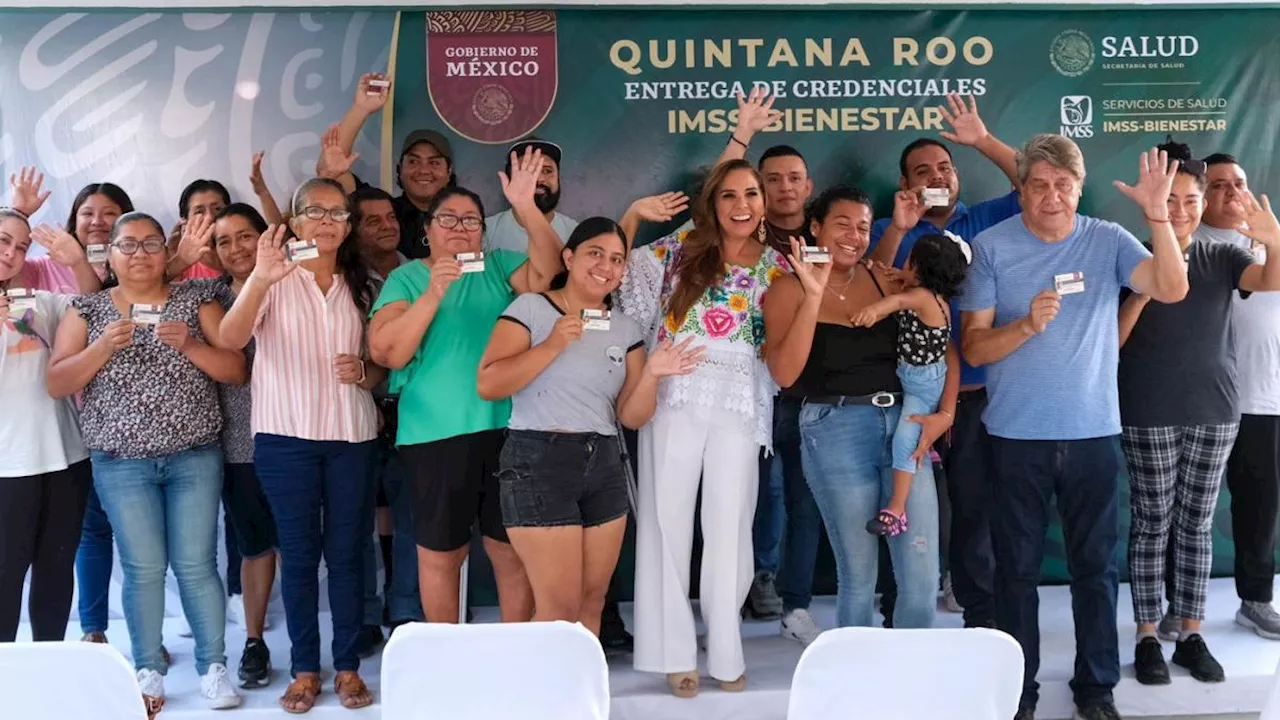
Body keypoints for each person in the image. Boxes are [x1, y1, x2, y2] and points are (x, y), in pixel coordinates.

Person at [960, 138, 1191, 720]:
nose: (1051, 196)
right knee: (1014, 573)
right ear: (1021, 190)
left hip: (1091, 434)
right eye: (1038, 184)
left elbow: (1171, 287)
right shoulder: (989, 249)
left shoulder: (1106, 239)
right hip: (1014, 437)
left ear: (1079, 188)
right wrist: (1025, 328)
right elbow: (974, 345)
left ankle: (1096, 688)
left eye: (1062, 184)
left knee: (1095, 570)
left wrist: (1158, 215)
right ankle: (1020, 691)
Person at [46, 212, 247, 712]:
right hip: (120, 463)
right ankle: (148, 672)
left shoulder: (195, 301)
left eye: (150, 244)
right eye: (128, 245)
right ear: (109, 255)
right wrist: (101, 347)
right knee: (142, 569)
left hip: (194, 457)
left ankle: (213, 667)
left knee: (198, 565)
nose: (139, 253)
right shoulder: (88, 309)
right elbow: (57, 382)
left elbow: (236, 371)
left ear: (166, 252)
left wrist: (192, 345)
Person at [617, 158, 793, 698]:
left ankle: (725, 650)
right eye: (729, 196)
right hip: (672, 391)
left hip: (740, 399)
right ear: (712, 204)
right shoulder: (681, 248)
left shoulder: (780, 266)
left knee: (730, 529)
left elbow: (782, 347)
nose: (742, 206)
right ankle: (673, 652)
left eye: (752, 195)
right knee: (667, 524)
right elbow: (614, 274)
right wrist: (629, 217)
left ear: (764, 204)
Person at [476, 217, 703, 635]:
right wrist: (553, 344)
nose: (606, 266)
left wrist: (653, 373)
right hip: (537, 462)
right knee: (558, 608)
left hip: (603, 466)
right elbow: (489, 383)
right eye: (595, 253)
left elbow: (631, 416)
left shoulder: (626, 328)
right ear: (569, 257)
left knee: (590, 600)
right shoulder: (531, 307)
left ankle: (581, 698)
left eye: (617, 259)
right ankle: (538, 700)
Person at [368, 148, 560, 629]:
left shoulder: (499, 267)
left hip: (508, 430)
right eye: (447, 218)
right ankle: (446, 659)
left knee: (509, 549)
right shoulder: (406, 277)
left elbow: (549, 271)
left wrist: (527, 210)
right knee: (441, 555)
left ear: (483, 230)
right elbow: (388, 352)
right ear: (427, 229)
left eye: (471, 220)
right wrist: (434, 290)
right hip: (434, 436)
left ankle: (515, 656)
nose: (459, 227)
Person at [217, 178, 384, 713]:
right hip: (285, 437)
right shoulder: (272, 274)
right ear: (294, 217)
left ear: (349, 223)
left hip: (352, 437)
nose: (327, 220)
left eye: (338, 212)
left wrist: (365, 371)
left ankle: (349, 667)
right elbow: (229, 338)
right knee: (299, 555)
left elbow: (383, 364)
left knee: (348, 554)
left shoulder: (364, 283)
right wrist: (261, 279)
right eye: (315, 210)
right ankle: (306, 669)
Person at [1118, 140, 1280, 685]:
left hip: (1216, 409)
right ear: (1153, 204)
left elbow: (1269, 279)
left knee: (1196, 526)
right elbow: (1113, 342)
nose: (1182, 210)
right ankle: (1146, 636)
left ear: (1201, 204)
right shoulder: (1130, 255)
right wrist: (1142, 295)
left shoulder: (1225, 254)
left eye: (1190, 199)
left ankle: (1190, 633)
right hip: (1147, 409)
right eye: (1171, 200)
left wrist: (1273, 243)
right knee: (1150, 524)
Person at [764, 186, 954, 634]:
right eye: (841, 224)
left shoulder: (887, 280)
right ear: (815, 228)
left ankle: (912, 690)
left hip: (905, 426)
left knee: (921, 576)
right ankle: (858, 688)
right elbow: (785, 376)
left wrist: (945, 414)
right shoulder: (787, 290)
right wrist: (813, 295)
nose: (853, 235)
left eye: (864, 227)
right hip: (833, 429)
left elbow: (943, 340)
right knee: (858, 577)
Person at [869, 93, 1020, 629]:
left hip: (979, 396)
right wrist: (896, 227)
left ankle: (980, 621)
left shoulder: (987, 219)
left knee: (975, 511)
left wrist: (983, 141)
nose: (936, 176)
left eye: (945, 166)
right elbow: (868, 281)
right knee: (900, 504)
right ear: (906, 183)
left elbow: (1033, 183)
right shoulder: (893, 226)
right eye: (921, 171)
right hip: (908, 398)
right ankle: (898, 614)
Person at [715, 90, 824, 628]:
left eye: (793, 178)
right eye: (771, 179)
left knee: (804, 495)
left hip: (813, 386)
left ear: (809, 186)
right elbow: (707, 205)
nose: (783, 188)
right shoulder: (741, 233)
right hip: (746, 385)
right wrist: (742, 133)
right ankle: (757, 577)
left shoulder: (826, 235)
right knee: (760, 491)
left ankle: (796, 599)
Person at [1190, 153, 1280, 641]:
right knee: (1187, 512)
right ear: (1199, 197)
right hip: (1201, 402)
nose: (1230, 192)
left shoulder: (1273, 242)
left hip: (1264, 398)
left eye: (1238, 183)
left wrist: (1273, 240)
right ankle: (1178, 610)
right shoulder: (1188, 245)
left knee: (1259, 506)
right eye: (1217, 184)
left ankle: (1256, 600)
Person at [0, 208, 92, 644]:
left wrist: (75, 262)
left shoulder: (37, 302)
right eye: (4, 240)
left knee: (56, 571)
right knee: (5, 575)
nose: (12, 253)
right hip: (7, 468)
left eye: (21, 246)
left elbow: (94, 306)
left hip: (66, 460)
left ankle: (50, 666)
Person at [207, 203, 281, 688]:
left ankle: (318, 645)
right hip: (239, 444)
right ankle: (254, 642)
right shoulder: (205, 296)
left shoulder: (292, 281)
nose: (236, 248)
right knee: (254, 545)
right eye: (223, 241)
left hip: (299, 433)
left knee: (304, 545)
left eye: (245, 235)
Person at [852, 233, 969, 536]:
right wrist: (904, 275)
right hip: (916, 377)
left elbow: (899, 300)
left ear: (919, 267)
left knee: (905, 439)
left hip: (922, 385)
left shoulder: (921, 297)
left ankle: (897, 509)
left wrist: (874, 311)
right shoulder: (934, 295)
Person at [348, 185, 420, 650]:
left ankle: (408, 611)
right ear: (352, 230)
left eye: (390, 216)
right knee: (357, 521)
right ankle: (367, 614)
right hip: (357, 412)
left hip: (413, 411)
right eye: (372, 220)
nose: (387, 225)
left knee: (412, 516)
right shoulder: (341, 280)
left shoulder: (418, 273)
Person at [331, 73, 454, 259]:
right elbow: (333, 167)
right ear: (400, 169)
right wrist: (361, 109)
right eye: (413, 161)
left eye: (434, 162)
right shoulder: (383, 210)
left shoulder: (462, 215)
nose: (423, 170)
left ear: (448, 172)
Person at [484, 138, 577, 253]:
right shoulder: (484, 232)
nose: (539, 179)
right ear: (509, 179)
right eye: (528, 171)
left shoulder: (576, 234)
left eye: (547, 171)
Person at [169, 179, 230, 280]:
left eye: (218, 209)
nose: (210, 217)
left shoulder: (243, 247)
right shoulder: (180, 259)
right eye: (199, 212)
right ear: (185, 221)